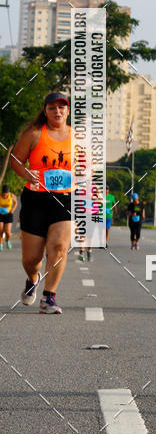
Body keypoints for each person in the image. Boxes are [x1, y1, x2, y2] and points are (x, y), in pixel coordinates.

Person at [10, 91, 72, 314]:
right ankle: (32, 279)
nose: (58, 111)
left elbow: (88, 167)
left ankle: (49, 298)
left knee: (59, 246)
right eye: (52, 107)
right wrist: (26, 174)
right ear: (45, 111)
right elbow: (15, 160)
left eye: (62, 107)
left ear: (68, 110)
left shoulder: (77, 138)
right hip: (36, 199)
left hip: (64, 198)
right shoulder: (34, 134)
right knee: (32, 259)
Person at [0, 184, 18, 250]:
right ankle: (0, 244)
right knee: (0, 230)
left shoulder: (11, 196)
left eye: (6, 193)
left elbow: (15, 203)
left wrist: (12, 210)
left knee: (8, 232)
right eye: (4, 193)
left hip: (8, 214)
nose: (5, 195)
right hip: (0, 214)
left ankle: (7, 240)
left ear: (8, 192)